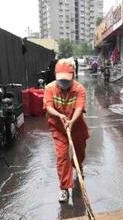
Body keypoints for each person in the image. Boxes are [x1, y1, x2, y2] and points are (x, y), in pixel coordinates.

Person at [43, 58, 89, 203]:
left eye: (67, 80)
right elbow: (49, 107)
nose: (64, 83)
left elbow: (79, 108)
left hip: (76, 126)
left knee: (79, 153)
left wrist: (72, 121)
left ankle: (78, 167)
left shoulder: (79, 89)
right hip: (58, 127)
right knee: (62, 157)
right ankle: (64, 188)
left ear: (73, 76)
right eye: (61, 80)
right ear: (56, 76)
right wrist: (60, 115)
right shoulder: (49, 88)